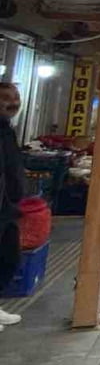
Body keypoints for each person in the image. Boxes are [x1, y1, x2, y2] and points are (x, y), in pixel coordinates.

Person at [0, 83, 26, 328]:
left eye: (16, 97)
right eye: (6, 98)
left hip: (8, 206)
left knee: (9, 257)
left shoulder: (7, 129)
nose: (13, 102)